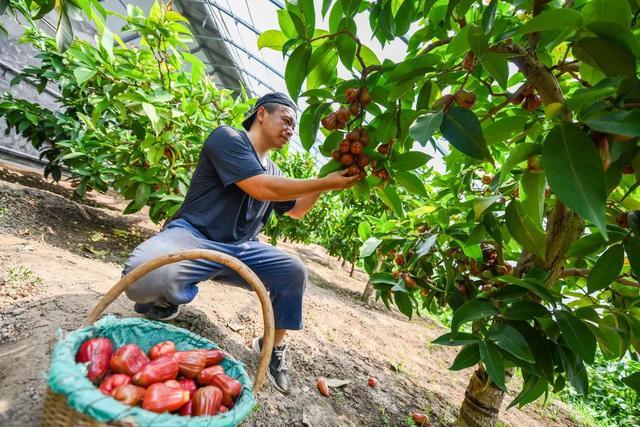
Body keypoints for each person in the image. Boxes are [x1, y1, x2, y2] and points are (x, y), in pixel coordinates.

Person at [121, 92, 359, 394]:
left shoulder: (275, 172)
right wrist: (325, 182)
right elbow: (259, 187)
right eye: (285, 121)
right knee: (142, 276)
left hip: (241, 249)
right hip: (193, 235)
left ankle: (272, 346)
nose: (289, 130)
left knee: (293, 270)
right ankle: (163, 299)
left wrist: (328, 175)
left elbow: (297, 210)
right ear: (261, 114)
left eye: (293, 127)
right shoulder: (228, 138)